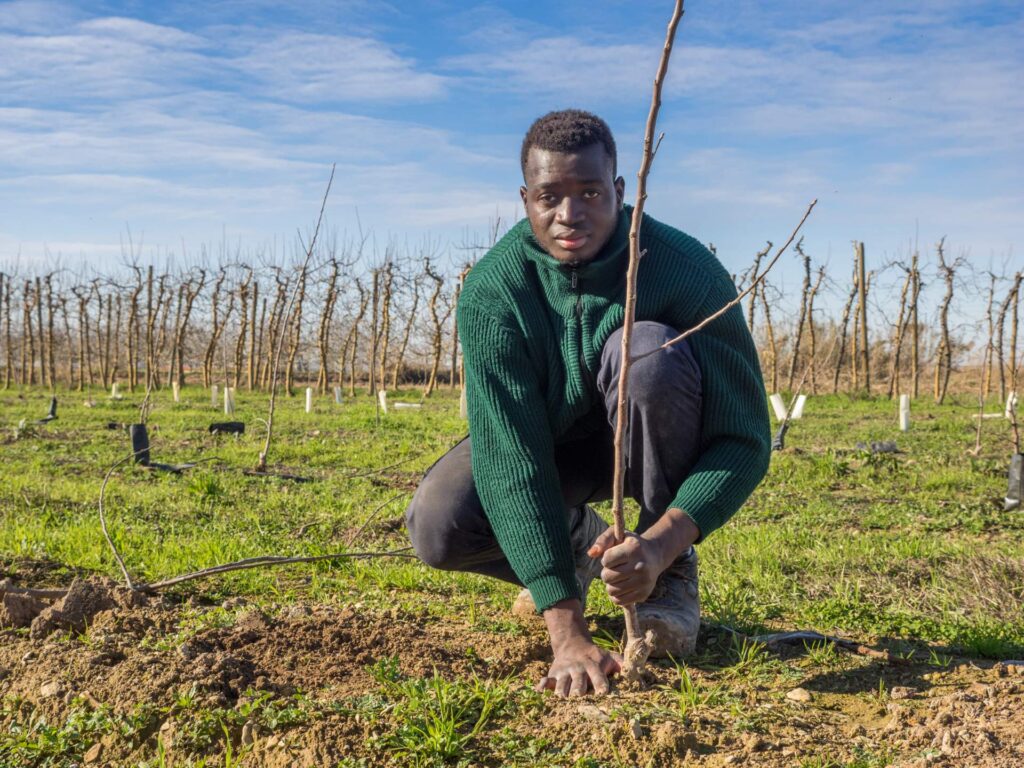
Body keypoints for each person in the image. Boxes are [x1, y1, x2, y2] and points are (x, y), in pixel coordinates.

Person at [406, 109, 770, 697]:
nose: (569, 215)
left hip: (654, 436)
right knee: (439, 524)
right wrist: (567, 629)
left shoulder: (685, 269)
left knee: (645, 354)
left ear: (621, 192)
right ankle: (577, 546)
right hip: (552, 452)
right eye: (549, 196)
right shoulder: (495, 293)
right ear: (525, 198)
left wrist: (662, 542)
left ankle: (667, 575)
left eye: (591, 193)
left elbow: (744, 438)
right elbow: (512, 460)